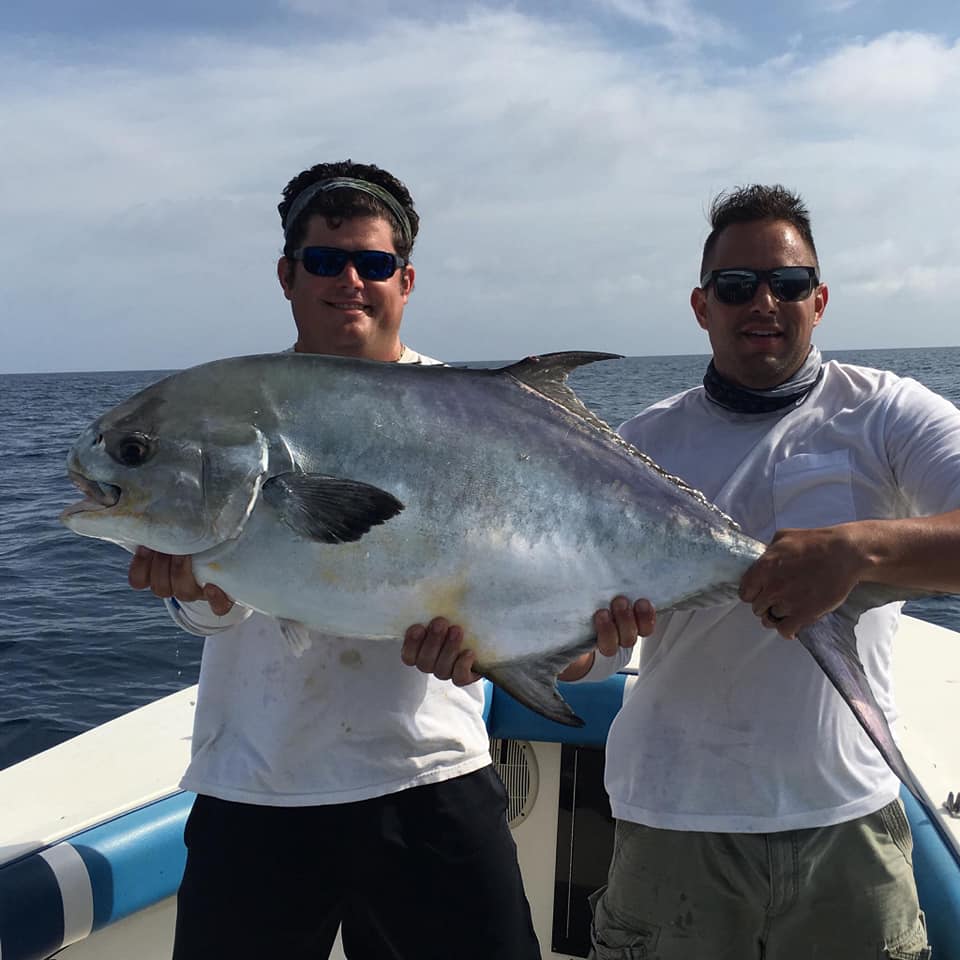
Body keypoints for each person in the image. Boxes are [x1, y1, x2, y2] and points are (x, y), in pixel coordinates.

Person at [129, 160, 541, 960]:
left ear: (406, 280)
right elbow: (209, 597)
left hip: (431, 780)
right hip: (257, 788)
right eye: (324, 261)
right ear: (287, 275)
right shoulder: (229, 414)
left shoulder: (477, 412)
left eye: (373, 263)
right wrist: (195, 590)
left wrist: (525, 643)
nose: (350, 280)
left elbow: (519, 571)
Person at [560, 184, 960, 959]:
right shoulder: (640, 444)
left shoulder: (887, 413)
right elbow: (585, 656)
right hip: (673, 819)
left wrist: (858, 552)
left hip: (846, 821)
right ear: (701, 305)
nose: (764, 302)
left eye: (789, 283)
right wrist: (504, 641)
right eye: (737, 287)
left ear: (821, 298)